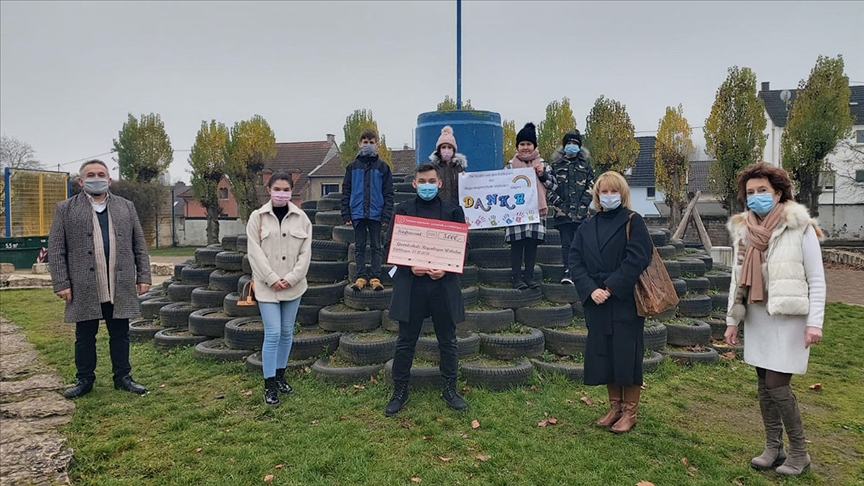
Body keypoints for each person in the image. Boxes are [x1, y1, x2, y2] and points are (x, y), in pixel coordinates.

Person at [724, 162, 825, 476]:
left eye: (762, 190)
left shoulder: (800, 227)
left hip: (789, 318)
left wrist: (815, 322)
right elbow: (737, 278)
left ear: (778, 193)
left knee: (776, 384)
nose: (756, 196)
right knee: (763, 383)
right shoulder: (744, 231)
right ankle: (773, 447)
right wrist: (732, 320)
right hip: (758, 316)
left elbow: (817, 279)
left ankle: (800, 453)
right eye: (750, 192)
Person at [48, 159, 151, 399]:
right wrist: (61, 283)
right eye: (91, 175)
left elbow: (139, 244)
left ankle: (123, 377)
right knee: (84, 336)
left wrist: (144, 276)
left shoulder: (126, 207)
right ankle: (85, 380)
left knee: (121, 334)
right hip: (84, 285)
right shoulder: (66, 209)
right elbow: (56, 248)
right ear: (81, 181)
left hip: (119, 284)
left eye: (101, 174)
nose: (97, 178)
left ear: (109, 180)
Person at [568, 171, 652, 433]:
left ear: (622, 193)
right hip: (596, 301)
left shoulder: (633, 221)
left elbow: (638, 257)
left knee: (627, 354)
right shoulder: (587, 226)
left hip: (624, 300)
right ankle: (615, 407)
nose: (608, 196)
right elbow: (575, 260)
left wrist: (611, 287)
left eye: (613, 191)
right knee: (604, 354)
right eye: (604, 191)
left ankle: (630, 412)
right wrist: (591, 289)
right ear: (597, 195)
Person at [382, 163, 468, 416]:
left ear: (439, 183)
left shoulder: (454, 212)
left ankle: (450, 388)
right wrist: (410, 266)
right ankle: (400, 390)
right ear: (414, 184)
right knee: (405, 340)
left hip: (443, 285)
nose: (427, 186)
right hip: (412, 285)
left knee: (448, 340)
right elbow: (390, 246)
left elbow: (464, 248)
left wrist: (447, 269)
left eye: (431, 181)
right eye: (422, 182)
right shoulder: (403, 211)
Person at [246, 172, 312, 406]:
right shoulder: (257, 217)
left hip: (293, 286)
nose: (281, 194)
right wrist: (271, 278)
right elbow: (254, 252)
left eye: (286, 190)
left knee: (286, 333)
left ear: (292, 191)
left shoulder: (302, 218)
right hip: (267, 287)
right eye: (277, 189)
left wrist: (292, 278)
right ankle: (269, 384)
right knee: (273, 333)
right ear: (269, 190)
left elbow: (305, 253)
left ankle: (281, 376)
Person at [341, 128, 394, 292]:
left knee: (377, 246)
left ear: (377, 144)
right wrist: (346, 213)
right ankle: (361, 277)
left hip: (376, 214)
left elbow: (388, 193)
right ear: (359, 144)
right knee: (360, 246)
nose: (368, 144)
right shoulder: (352, 168)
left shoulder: (383, 167)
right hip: (357, 213)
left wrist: (386, 215)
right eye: (365, 142)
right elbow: (346, 191)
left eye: (371, 142)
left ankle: (376, 277)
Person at [504, 122, 556, 290]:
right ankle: (516, 277)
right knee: (517, 244)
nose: (525, 147)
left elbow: (554, 185)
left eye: (528, 144)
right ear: (517, 146)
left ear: (534, 146)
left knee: (532, 244)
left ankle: (529, 276)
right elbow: (500, 186)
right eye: (522, 144)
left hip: (536, 210)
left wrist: (542, 174)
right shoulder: (510, 165)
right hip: (516, 212)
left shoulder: (543, 165)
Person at [548, 129, 595, 284]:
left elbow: (591, 187)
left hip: (582, 214)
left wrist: (583, 206)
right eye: (568, 143)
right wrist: (559, 204)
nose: (571, 145)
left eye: (575, 143)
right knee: (567, 245)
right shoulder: (555, 166)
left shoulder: (586, 166)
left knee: (582, 243)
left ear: (579, 146)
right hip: (563, 214)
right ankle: (568, 270)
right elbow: (548, 188)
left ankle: (582, 271)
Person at [428, 125, 467, 207]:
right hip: (437, 208)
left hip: (455, 208)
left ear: (453, 150)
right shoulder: (432, 168)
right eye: (443, 147)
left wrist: (466, 180)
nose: (446, 150)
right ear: (439, 150)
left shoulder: (459, 168)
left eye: (449, 147)